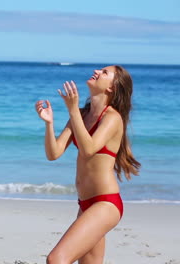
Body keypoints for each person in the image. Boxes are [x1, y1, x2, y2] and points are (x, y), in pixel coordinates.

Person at [35, 65, 141, 263]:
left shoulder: (112, 118)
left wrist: (73, 110)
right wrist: (49, 124)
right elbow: (54, 153)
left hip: (105, 203)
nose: (97, 71)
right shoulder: (82, 114)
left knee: (56, 259)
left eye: (105, 73)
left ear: (112, 87)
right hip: (85, 204)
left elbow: (89, 149)